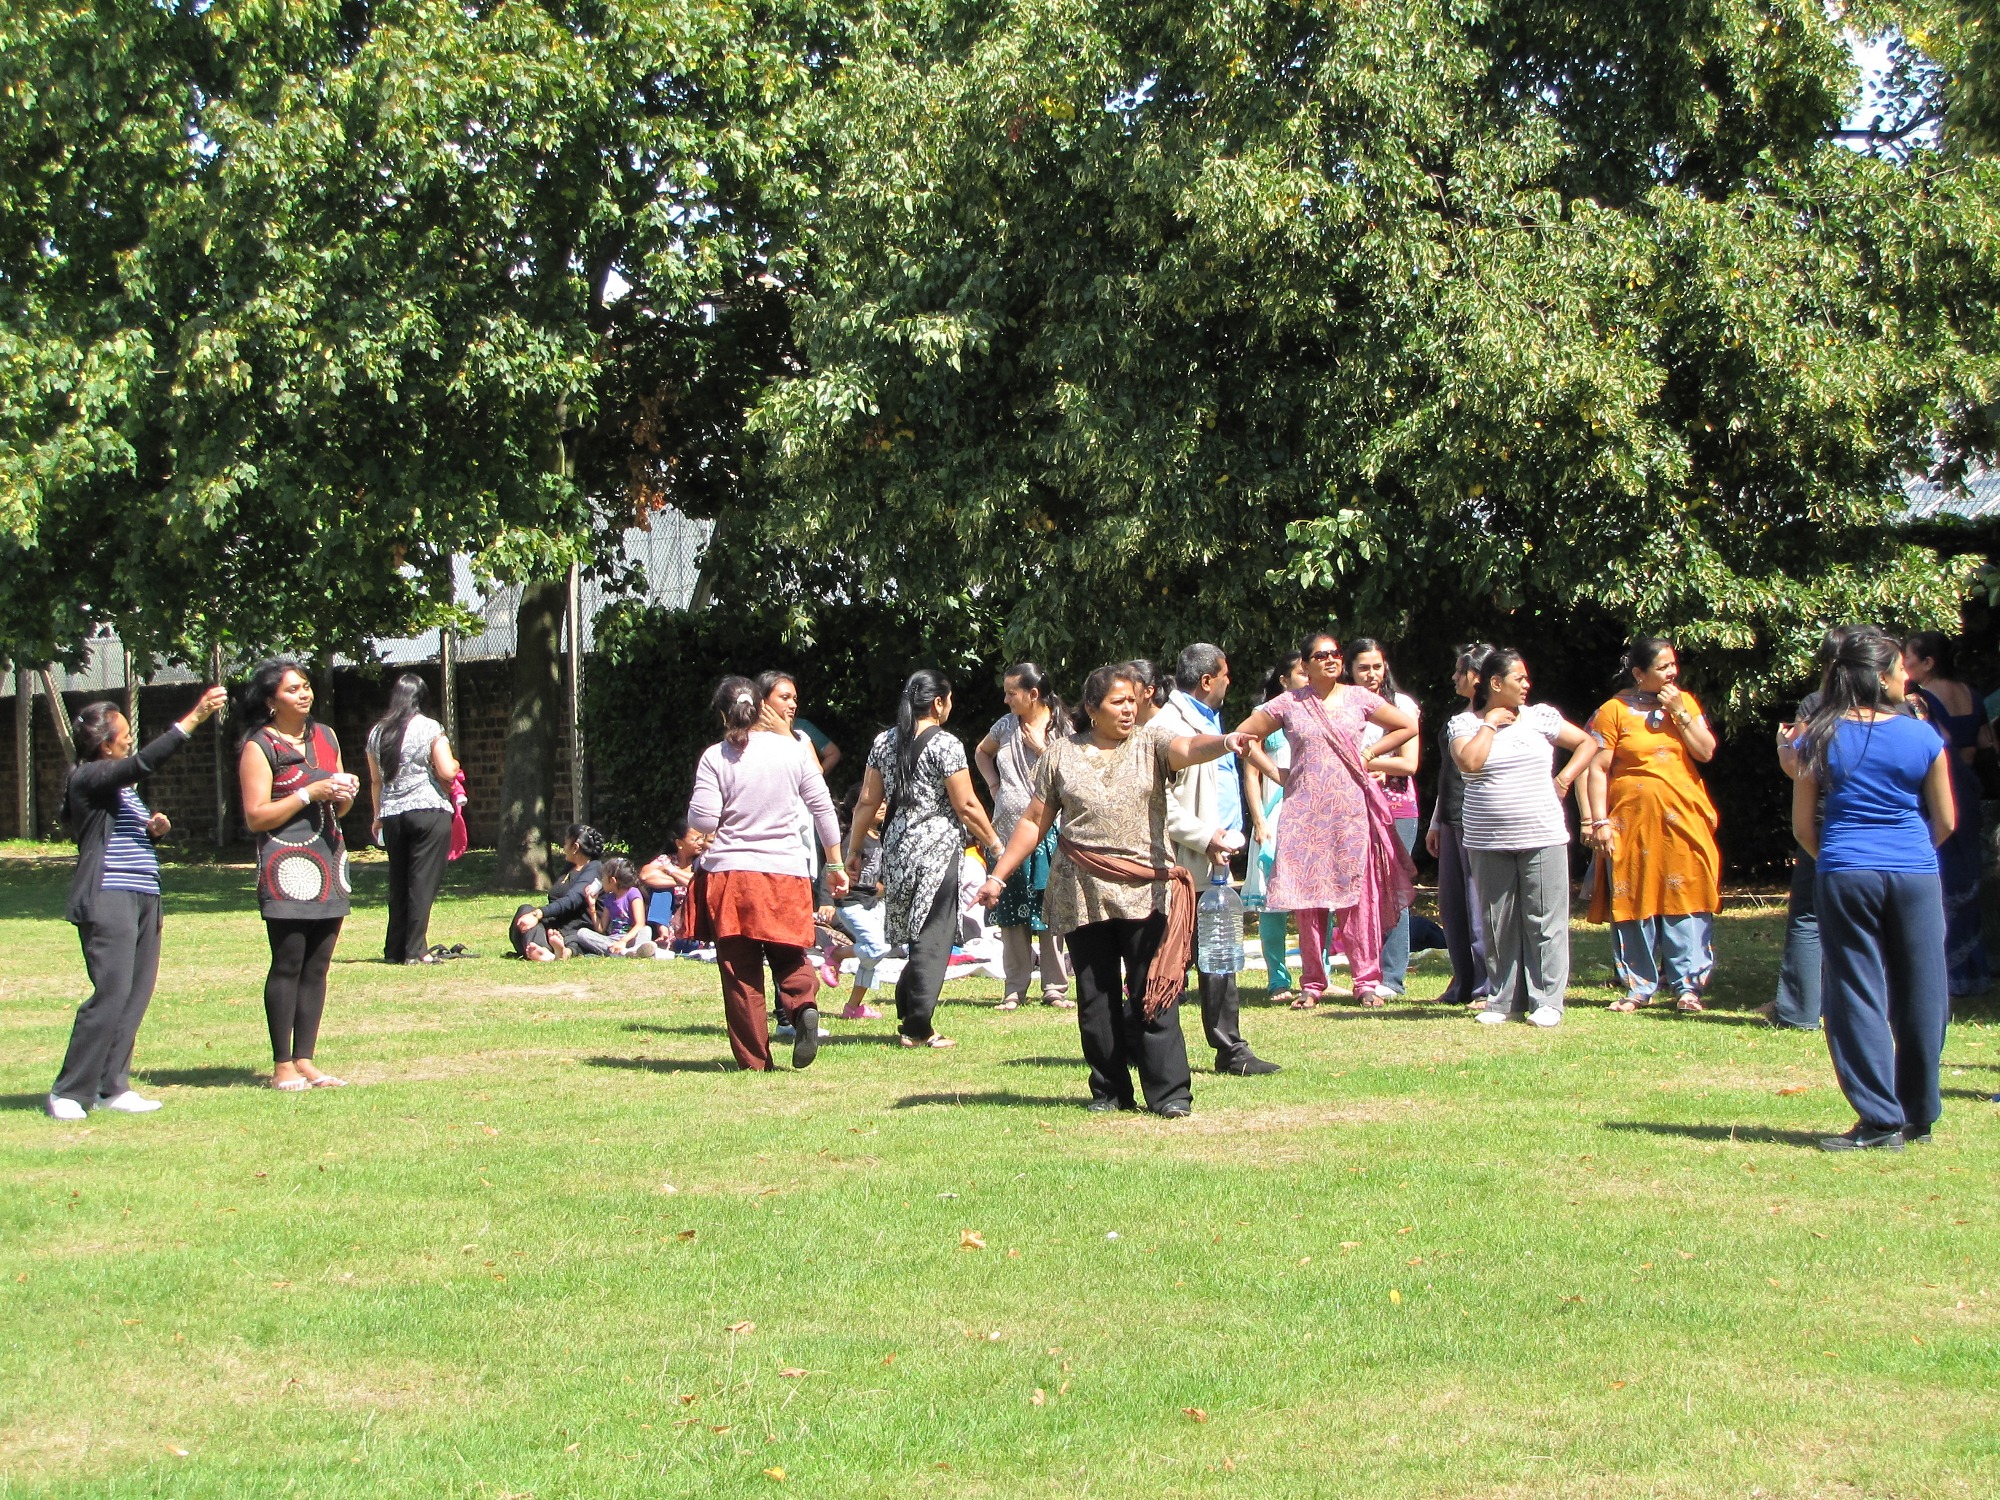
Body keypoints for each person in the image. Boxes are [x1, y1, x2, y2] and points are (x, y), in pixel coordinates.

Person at [976, 663, 1258, 1115]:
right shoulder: (1060, 754)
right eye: (1117, 702)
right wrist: (997, 876)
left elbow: (1188, 747)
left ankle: (1169, 1095)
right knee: (1095, 996)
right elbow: (1034, 820)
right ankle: (1109, 1091)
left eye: (1132, 701)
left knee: (1153, 989)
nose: (1128, 710)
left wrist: (1226, 742)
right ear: (1092, 708)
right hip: (1080, 889)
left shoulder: (1153, 741)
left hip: (1147, 890)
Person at [1791, 628, 1954, 1150]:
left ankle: (1880, 1120)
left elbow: (1802, 826)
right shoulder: (1924, 737)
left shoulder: (1819, 733)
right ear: (1881, 676)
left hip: (1845, 869)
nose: (1906, 675)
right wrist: (1911, 854)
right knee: (1923, 988)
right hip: (1915, 871)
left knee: (1855, 991)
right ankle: (1919, 1116)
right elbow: (1946, 820)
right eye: (1900, 668)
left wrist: (1838, 860)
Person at [46, 684, 230, 1120]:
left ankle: (113, 1086)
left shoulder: (119, 789)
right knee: (110, 993)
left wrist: (152, 830)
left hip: (143, 894)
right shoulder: (89, 775)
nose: (129, 738)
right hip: (108, 896)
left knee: (135, 994)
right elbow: (145, 762)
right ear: (104, 743)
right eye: (124, 733)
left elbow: (117, 830)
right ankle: (69, 1091)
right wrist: (195, 717)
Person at [1232, 633, 1418, 1009]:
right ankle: (1312, 983)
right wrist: (1276, 772)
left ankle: (1366, 980)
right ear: (1306, 664)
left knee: (1357, 897)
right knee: (1307, 900)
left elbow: (1406, 727)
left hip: (1351, 812)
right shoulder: (1289, 703)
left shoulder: (1359, 698)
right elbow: (1244, 735)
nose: (1331, 660)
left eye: (1336, 654)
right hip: (1303, 813)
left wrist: (1369, 753)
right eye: (1322, 655)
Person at [688, 676, 848, 1070]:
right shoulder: (793, 751)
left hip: (731, 875)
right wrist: (836, 864)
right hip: (785, 872)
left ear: (725, 713)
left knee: (739, 970)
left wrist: (703, 824)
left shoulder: (716, 756)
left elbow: (704, 819)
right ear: (762, 706)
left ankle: (756, 1061)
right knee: (788, 951)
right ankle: (803, 1004)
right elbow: (824, 810)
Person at [847, 669, 1003, 1049]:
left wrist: (852, 850)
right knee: (934, 935)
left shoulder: (883, 741)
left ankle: (908, 1008)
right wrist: (996, 846)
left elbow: (868, 800)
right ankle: (917, 1027)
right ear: (938, 703)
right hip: (936, 848)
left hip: (897, 848)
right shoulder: (946, 744)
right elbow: (966, 803)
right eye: (949, 700)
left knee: (915, 935)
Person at [1448, 649, 1604, 1027]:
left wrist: (1564, 780)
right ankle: (1502, 1002)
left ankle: (1547, 1000)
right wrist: (1489, 724)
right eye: (1519, 678)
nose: (1526, 685)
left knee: (1544, 918)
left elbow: (1587, 742)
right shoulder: (1463, 724)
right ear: (1496, 683)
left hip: (1541, 833)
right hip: (1487, 838)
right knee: (1497, 921)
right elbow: (1469, 763)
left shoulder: (1540, 717)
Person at [1154, 644, 1279, 1074]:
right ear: (1207, 680)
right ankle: (1155, 1049)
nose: (1230, 680)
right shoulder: (1168, 726)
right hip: (1183, 867)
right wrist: (1206, 836)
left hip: (1217, 865)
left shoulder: (1211, 720)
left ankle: (1231, 1050)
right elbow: (1159, 803)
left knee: (1220, 958)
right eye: (1225, 674)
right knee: (1170, 962)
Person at [237, 660, 359, 1090]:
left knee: (318, 965)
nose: (303, 695)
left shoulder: (325, 736)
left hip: (329, 859)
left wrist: (344, 793)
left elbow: (338, 806)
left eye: (305, 687)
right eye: (292, 690)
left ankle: (306, 1058)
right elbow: (256, 816)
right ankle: (282, 1064)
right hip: (286, 864)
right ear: (272, 701)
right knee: (288, 961)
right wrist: (307, 792)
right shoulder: (260, 745)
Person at [1584, 637, 1722, 1014]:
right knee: (1633, 897)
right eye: (1662, 667)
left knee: (1686, 896)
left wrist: (1681, 712)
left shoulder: (1684, 703)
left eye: (1673, 665)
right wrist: (1599, 821)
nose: (1671, 673)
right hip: (1630, 822)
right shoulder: (1612, 711)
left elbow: (1706, 751)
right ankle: (1638, 987)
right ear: (1639, 673)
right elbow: (1597, 768)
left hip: (1683, 818)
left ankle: (1688, 987)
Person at [974, 663, 1074, 1011]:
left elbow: (1075, 777)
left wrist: (1043, 747)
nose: (1006, 700)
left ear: (1033, 694)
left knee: (1051, 911)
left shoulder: (1064, 728)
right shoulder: (1004, 726)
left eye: (1011, 693)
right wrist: (994, 785)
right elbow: (981, 752)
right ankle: (1014, 988)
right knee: (1010, 912)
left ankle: (1055, 986)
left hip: (1050, 834)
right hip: (1006, 831)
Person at [1904, 631, 1991, 996]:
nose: (1903, 665)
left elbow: (1935, 743)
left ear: (1928, 662)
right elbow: (1986, 742)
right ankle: (1976, 969)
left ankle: (1947, 971)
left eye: (1908, 657)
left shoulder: (1920, 700)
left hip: (1940, 792)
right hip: (1969, 791)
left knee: (1942, 877)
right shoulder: (1970, 693)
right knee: (1969, 874)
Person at [1244, 651, 1328, 1006]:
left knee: (1320, 899)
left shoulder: (1322, 712)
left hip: (1316, 817)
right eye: (1300, 672)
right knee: (1273, 903)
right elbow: (1250, 770)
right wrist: (1259, 821)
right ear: (1283, 679)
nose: (1308, 677)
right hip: (1275, 816)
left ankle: (1320, 975)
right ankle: (1278, 979)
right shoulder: (1264, 717)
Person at [365, 673, 460, 965]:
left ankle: (394, 949)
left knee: (399, 881)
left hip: (392, 814)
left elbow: (375, 781)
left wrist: (377, 816)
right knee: (422, 882)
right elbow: (446, 771)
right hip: (428, 810)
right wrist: (455, 763)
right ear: (421, 698)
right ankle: (416, 950)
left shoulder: (377, 732)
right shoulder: (430, 727)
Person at [1348, 639, 1422, 1000]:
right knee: (1359, 891)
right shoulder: (1342, 705)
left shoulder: (1401, 705)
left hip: (1395, 808)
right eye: (1364, 667)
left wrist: (1369, 764)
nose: (1372, 674)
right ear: (1350, 670)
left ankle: (1392, 977)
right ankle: (1364, 972)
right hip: (1351, 807)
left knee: (1394, 890)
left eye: (1377, 666)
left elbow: (1409, 763)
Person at [1424, 644, 1494, 1011]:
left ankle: (1488, 985)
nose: (1454, 678)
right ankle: (1464, 981)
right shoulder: (1459, 719)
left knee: (1479, 903)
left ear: (1478, 677)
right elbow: (1447, 773)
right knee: (1454, 907)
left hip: (1480, 820)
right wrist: (1437, 820)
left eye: (1460, 672)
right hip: (1452, 819)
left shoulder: (1498, 722)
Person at [827, 785, 890, 1018]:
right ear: (858, 809)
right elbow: (832, 869)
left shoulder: (880, 837)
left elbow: (877, 877)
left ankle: (853, 1007)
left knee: (872, 959)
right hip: (852, 904)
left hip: (872, 903)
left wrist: (880, 888)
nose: (882, 805)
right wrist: (826, 901)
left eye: (884, 801)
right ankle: (837, 954)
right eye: (877, 801)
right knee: (877, 948)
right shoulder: (855, 840)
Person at [510, 826, 606, 960]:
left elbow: (573, 899)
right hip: (556, 926)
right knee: (524, 911)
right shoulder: (570, 867)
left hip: (577, 928)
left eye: (566, 842)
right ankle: (544, 950)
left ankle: (553, 951)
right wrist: (532, 915)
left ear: (575, 847)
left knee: (573, 938)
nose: (563, 846)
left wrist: (538, 913)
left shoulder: (594, 869)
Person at [571, 857, 657, 956]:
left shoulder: (633, 893)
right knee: (582, 933)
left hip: (631, 938)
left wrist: (623, 941)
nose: (602, 881)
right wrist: (592, 906)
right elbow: (601, 929)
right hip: (613, 941)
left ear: (612, 880)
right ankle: (626, 953)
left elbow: (640, 924)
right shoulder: (610, 898)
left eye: (603, 878)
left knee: (646, 930)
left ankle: (632, 951)